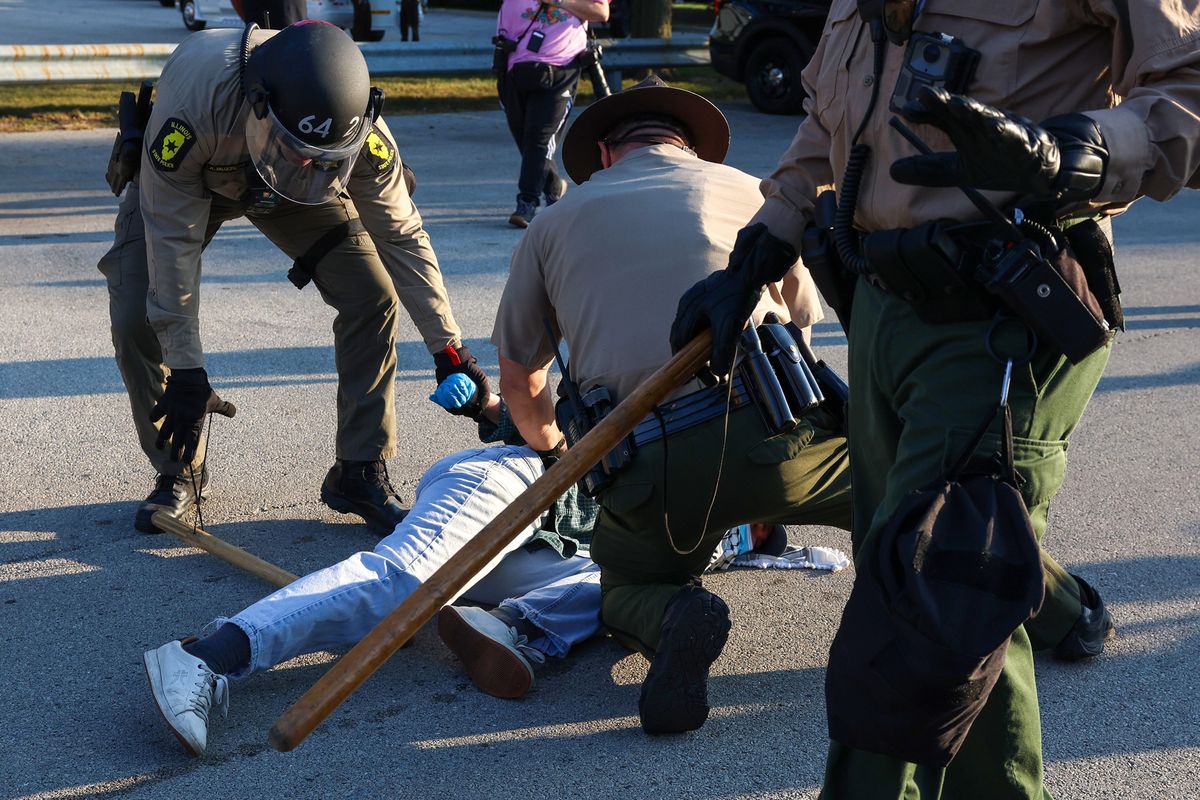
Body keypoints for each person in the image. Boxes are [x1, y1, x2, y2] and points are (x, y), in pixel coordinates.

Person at [669, 2, 1200, 796]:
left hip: (1000, 311)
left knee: (938, 593)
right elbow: (829, 124)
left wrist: (1071, 153)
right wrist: (758, 251)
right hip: (882, 306)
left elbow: (1186, 89)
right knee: (928, 589)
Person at [142, 379, 804, 755]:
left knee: (620, 580)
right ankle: (207, 655)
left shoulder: (715, 533)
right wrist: (490, 405)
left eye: (757, 530)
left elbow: (730, 545)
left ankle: (506, 630)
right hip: (513, 483)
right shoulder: (659, 396)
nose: (749, 527)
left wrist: (762, 541)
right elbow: (539, 405)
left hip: (542, 559)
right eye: (754, 522)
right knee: (402, 584)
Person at [490, 76, 854, 735]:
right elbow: (802, 326)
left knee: (624, 589)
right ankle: (1052, 608)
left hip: (649, 468)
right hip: (783, 430)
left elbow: (519, 378)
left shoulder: (551, 224)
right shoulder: (754, 194)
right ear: (690, 147)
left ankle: (670, 617)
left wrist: (554, 455)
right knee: (921, 507)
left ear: (604, 154)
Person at [97, 21, 487, 537]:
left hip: (287, 193)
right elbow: (173, 246)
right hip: (200, 177)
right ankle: (180, 472)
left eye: (324, 158)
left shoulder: (358, 133)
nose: (308, 162)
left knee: (371, 292)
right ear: (260, 105)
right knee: (135, 318)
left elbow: (403, 236)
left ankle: (359, 469)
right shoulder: (192, 114)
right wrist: (187, 371)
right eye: (299, 150)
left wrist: (450, 352)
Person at [493, 0, 609, 228]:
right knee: (525, 138)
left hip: (562, 68)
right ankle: (553, 184)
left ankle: (526, 201)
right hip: (517, 68)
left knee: (539, 138)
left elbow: (601, 12)